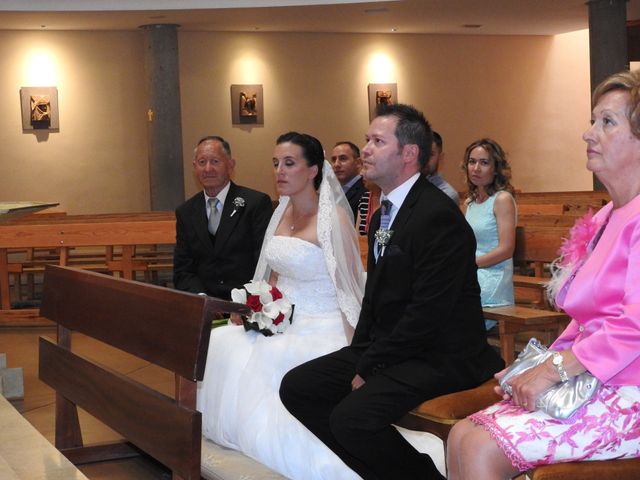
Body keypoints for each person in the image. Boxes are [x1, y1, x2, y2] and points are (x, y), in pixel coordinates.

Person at [280, 103, 504, 480]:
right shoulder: (387, 208)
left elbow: (427, 314)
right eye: (367, 139)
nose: (365, 148)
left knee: (352, 419)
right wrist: (360, 353)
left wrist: (370, 365)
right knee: (299, 387)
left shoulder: (437, 217)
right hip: (397, 346)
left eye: (377, 141)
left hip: (441, 353)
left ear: (409, 154)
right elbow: (376, 293)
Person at [447, 69, 640, 479]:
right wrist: (530, 368)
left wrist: (553, 370)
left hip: (630, 388)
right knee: (462, 435)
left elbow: (635, 325)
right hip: (593, 375)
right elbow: (585, 320)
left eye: (607, 122)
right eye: (593, 120)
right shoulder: (608, 215)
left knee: (482, 448)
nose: (589, 134)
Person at [196, 132, 366, 480]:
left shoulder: (332, 218)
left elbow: (349, 290)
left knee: (277, 360)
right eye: (276, 164)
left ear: (314, 170)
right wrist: (256, 309)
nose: (279, 171)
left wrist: (358, 353)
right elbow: (271, 277)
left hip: (322, 321)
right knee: (223, 343)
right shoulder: (280, 211)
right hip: (281, 316)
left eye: (289, 164)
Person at [173, 136, 273, 299]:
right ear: (194, 167)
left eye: (215, 161)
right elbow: (183, 269)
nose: (208, 169)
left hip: (246, 302)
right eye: (202, 162)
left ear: (230, 165)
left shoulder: (255, 204)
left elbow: (263, 263)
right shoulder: (186, 211)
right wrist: (201, 297)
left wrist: (244, 300)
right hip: (204, 304)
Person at [462, 138, 517, 330]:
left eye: (484, 163)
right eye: (472, 162)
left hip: (493, 276)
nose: (476, 168)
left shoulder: (502, 199)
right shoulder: (469, 202)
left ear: (496, 168)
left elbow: (506, 249)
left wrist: (468, 265)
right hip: (473, 272)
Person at [330, 141, 367, 221]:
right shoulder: (330, 191)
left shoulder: (366, 191)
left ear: (358, 163)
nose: (336, 164)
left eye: (343, 159)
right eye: (333, 159)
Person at [424, 131, 460, 205]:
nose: (424, 159)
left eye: (431, 154)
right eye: (421, 153)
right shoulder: (405, 186)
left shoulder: (447, 195)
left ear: (440, 157)